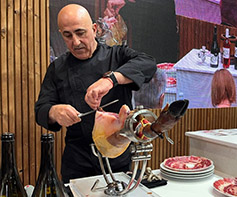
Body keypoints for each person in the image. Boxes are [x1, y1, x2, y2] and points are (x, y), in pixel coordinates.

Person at [34, 4, 157, 183]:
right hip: (77, 162)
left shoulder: (117, 55)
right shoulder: (57, 68)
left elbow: (148, 64)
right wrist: (54, 112)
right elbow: (40, 110)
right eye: (67, 36)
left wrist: (111, 80)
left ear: (94, 29)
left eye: (80, 33)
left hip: (117, 157)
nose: (75, 42)